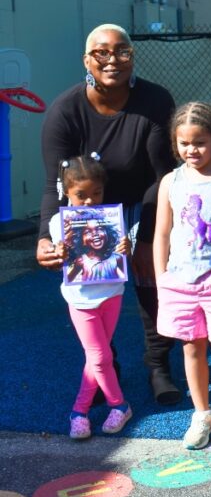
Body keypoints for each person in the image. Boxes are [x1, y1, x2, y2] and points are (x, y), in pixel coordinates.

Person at [37, 24, 180, 405]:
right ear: (87, 60)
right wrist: (45, 239)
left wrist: (149, 237)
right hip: (87, 211)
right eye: (101, 52)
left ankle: (158, 365)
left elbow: (161, 176)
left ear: (133, 56)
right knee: (92, 287)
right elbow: (55, 185)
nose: (112, 59)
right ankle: (105, 365)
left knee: (151, 279)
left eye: (122, 51)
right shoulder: (64, 111)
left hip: (144, 200)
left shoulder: (155, 101)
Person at [153, 103, 211, 451]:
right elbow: (162, 232)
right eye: (183, 143)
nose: (191, 150)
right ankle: (202, 413)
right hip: (179, 281)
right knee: (191, 348)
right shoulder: (171, 181)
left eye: (200, 142)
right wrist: (162, 276)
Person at [49, 155, 133, 439]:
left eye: (96, 193)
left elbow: (120, 251)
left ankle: (82, 412)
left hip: (112, 293)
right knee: (99, 356)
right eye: (80, 195)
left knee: (97, 356)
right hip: (81, 299)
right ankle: (115, 405)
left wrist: (125, 246)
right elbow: (59, 255)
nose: (89, 201)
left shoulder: (111, 218)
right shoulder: (58, 223)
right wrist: (59, 252)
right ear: (66, 192)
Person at [65, 211, 127, 284]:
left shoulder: (117, 258)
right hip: (88, 294)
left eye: (99, 228)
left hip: (113, 294)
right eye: (87, 232)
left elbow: (125, 277)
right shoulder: (81, 261)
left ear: (108, 232)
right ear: (81, 239)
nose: (95, 234)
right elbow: (68, 280)